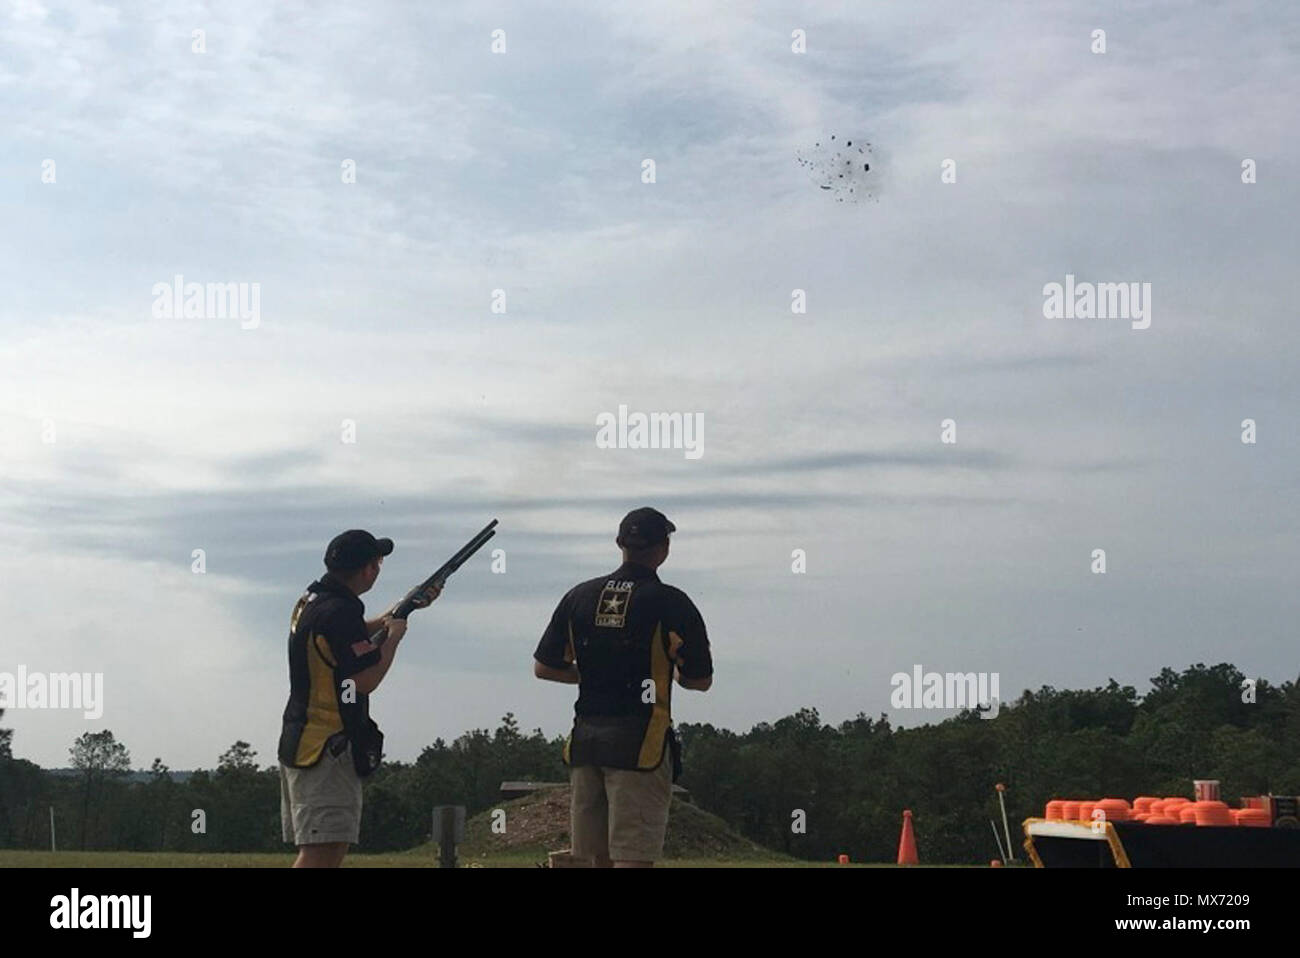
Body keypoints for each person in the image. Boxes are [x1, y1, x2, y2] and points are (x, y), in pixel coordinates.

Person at [534, 507, 713, 867]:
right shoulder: (672, 602)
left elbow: (545, 667)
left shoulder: (578, 597)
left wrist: (594, 673)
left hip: (585, 745)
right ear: (664, 547)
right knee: (632, 857)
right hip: (640, 748)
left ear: (619, 544)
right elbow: (699, 680)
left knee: (587, 859)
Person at [278, 529, 439, 868]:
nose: (379, 568)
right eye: (377, 562)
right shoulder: (341, 612)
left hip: (306, 739)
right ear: (368, 570)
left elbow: (342, 640)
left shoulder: (316, 599)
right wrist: (393, 638)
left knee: (325, 850)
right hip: (327, 747)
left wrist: (395, 613)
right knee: (323, 853)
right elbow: (363, 681)